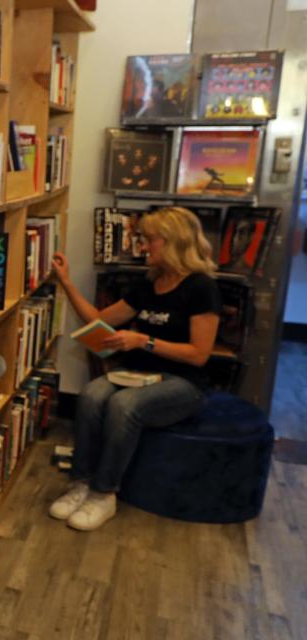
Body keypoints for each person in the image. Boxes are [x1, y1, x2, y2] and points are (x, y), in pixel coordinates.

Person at [49, 206, 221, 531]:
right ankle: (81, 483)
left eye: (148, 240)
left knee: (124, 405)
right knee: (90, 395)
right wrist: (67, 283)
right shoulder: (149, 285)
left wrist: (145, 341)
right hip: (137, 375)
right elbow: (100, 320)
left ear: (172, 242)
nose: (142, 246)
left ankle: (104, 493)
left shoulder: (201, 288)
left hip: (184, 383)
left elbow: (199, 354)